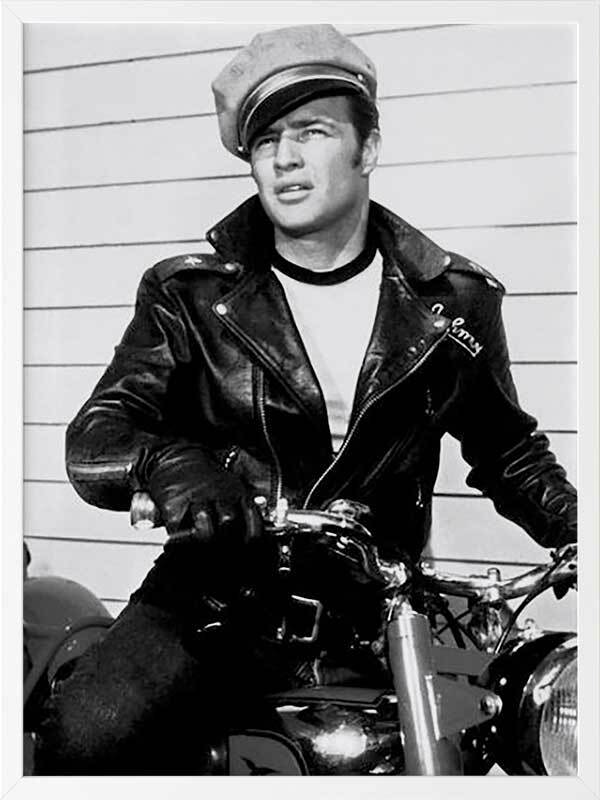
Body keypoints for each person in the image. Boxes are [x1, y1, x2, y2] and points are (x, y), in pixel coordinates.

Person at [34, 24, 577, 775]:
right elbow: (100, 433)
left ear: (368, 148)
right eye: (266, 141)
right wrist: (173, 466)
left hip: (378, 609)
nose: (284, 158)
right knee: (88, 736)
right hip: (211, 602)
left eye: (312, 132)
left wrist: (575, 527)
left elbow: (507, 447)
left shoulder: (453, 302)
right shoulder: (190, 294)